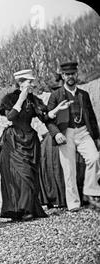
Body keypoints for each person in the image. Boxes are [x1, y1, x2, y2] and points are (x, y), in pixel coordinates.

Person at [0, 69, 69, 221]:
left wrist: (56, 110)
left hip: (30, 139)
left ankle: (28, 208)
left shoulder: (34, 99)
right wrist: (21, 100)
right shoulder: (9, 98)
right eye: (29, 82)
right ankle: (18, 210)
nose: (31, 84)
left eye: (31, 81)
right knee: (19, 175)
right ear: (20, 83)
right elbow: (10, 117)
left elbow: (44, 117)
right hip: (13, 140)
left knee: (30, 174)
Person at [47, 61, 100, 211]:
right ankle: (74, 204)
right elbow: (48, 120)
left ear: (76, 74)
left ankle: (90, 192)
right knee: (69, 169)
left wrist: (96, 137)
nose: (70, 77)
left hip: (83, 131)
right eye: (67, 74)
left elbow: (91, 118)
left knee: (94, 158)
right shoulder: (55, 95)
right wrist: (56, 133)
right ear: (62, 76)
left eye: (73, 74)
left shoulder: (84, 94)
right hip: (66, 133)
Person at [39, 69, 86, 208]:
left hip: (64, 134)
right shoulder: (54, 98)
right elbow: (48, 118)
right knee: (63, 166)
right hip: (58, 135)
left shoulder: (75, 96)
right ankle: (67, 198)